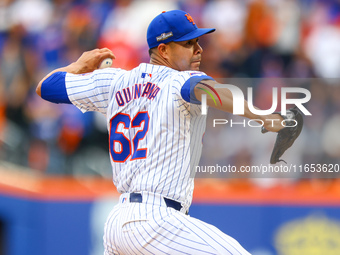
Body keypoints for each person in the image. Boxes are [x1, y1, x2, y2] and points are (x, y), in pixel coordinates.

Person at [36, 10, 284, 255]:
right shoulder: (179, 81)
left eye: (198, 42)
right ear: (164, 50)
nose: (198, 49)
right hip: (158, 221)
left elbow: (46, 87)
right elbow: (212, 91)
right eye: (188, 43)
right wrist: (262, 115)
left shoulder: (113, 82)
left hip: (118, 223)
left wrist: (77, 66)